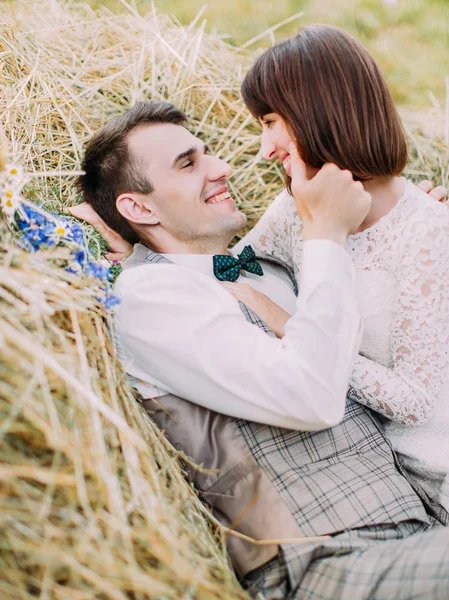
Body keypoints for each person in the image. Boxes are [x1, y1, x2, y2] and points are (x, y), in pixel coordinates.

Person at [73, 99, 449, 599]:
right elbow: (310, 397)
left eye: (208, 154)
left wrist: (410, 229)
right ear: (138, 208)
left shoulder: (269, 268)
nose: (222, 167)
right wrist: (326, 232)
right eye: (189, 164)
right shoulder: (149, 297)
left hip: (422, 529)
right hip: (319, 563)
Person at [231, 24, 449, 517]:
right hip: (382, 467)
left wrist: (287, 325)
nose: (264, 149)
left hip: (438, 470)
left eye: (269, 121)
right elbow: (226, 267)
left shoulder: (428, 231)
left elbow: (415, 401)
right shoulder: (294, 207)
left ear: (318, 112)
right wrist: (130, 237)